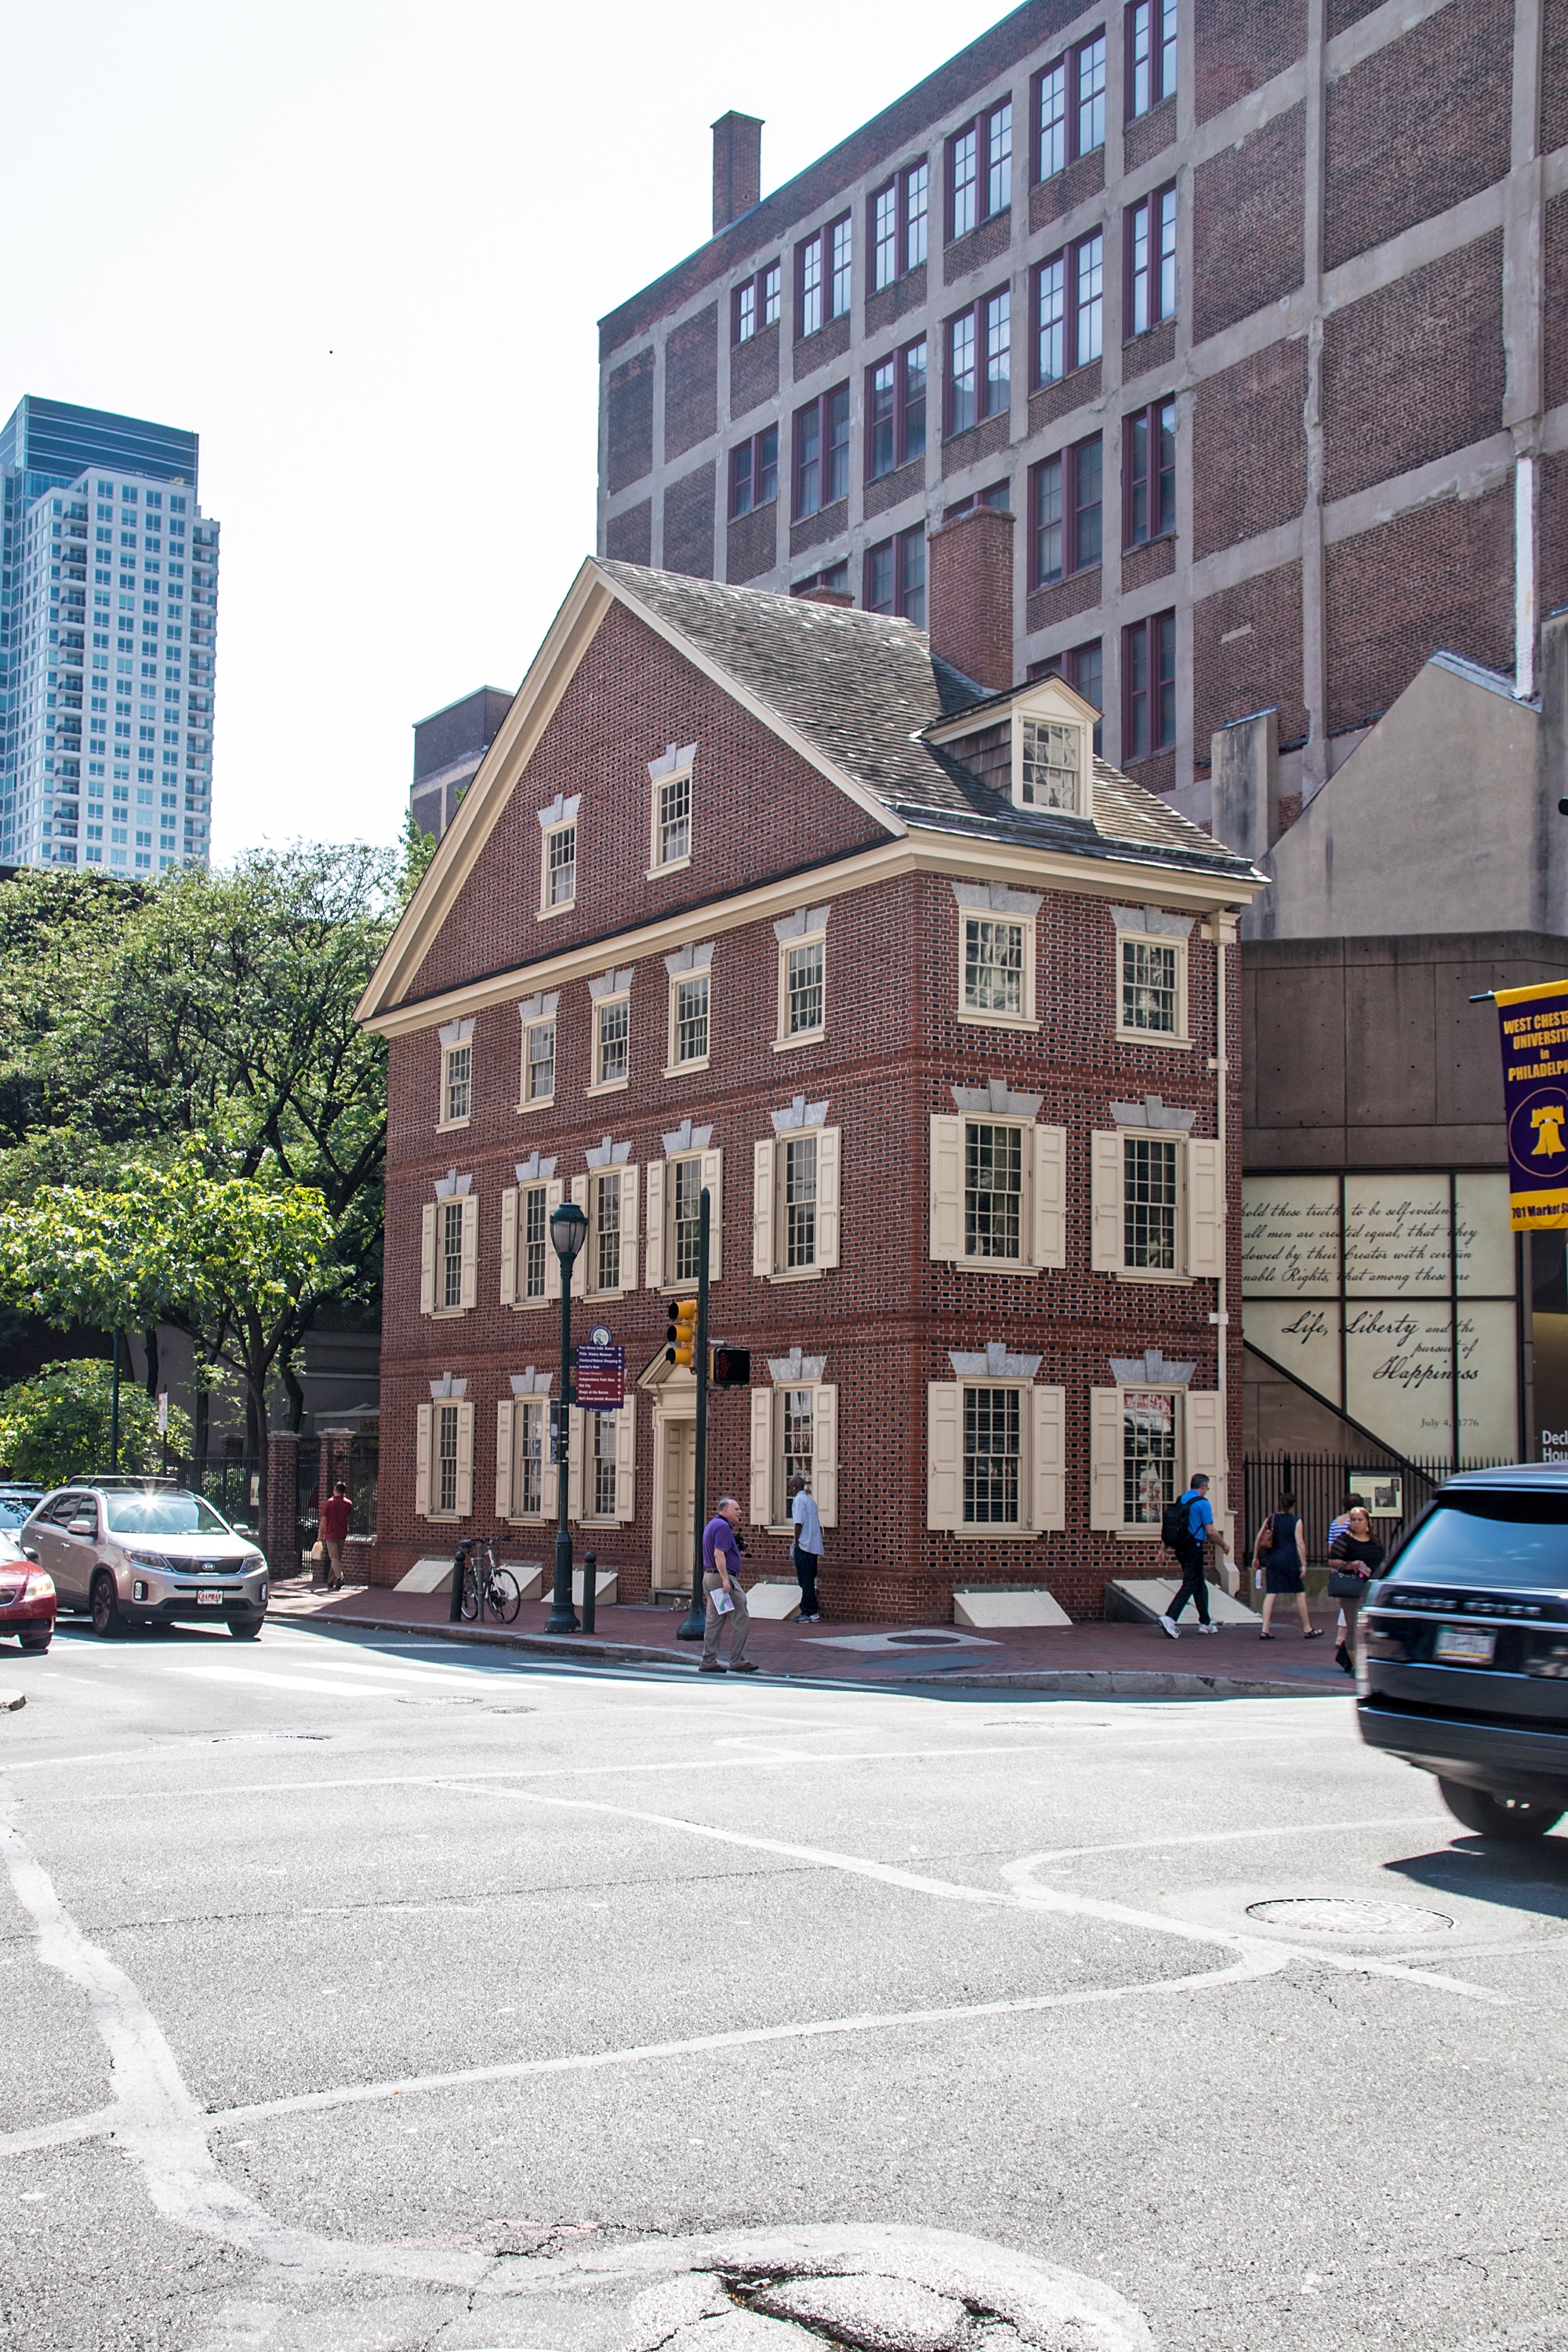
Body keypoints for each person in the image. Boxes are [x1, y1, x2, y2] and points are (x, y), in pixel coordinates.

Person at [1159, 1472, 1228, 1639]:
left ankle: (1205, 1622)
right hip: (1194, 1547)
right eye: (1207, 1488)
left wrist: (1163, 1549)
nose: (1206, 1491)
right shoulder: (1203, 1503)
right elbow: (1210, 1531)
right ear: (1203, 1486)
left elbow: (1171, 1526)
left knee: (1199, 1583)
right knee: (1190, 1583)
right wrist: (1224, 1545)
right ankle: (1170, 1617)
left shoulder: (1181, 1500)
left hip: (1180, 1548)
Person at [700, 1497, 757, 1675]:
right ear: (725, 1511)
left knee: (715, 1620)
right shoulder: (723, 1527)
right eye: (736, 1509)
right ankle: (737, 1660)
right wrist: (726, 1580)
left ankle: (708, 1661)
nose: (740, 1512)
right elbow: (718, 1554)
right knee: (741, 1616)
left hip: (710, 1577)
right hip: (721, 1579)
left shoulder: (713, 1525)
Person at [1327, 1504, 1385, 1673]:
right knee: (1352, 1627)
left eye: (1360, 1520)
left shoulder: (1374, 1540)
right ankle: (1356, 1666)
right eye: (1354, 1520)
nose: (1357, 1523)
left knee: (1370, 1626)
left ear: (1367, 1522)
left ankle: (1362, 1659)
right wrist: (1351, 1565)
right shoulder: (1344, 1540)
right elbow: (1332, 1561)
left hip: (1372, 1588)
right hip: (1352, 1590)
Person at [1256, 1489, 1319, 1642]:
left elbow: (1260, 1537)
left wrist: (1255, 1557)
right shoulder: (1296, 1521)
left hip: (1273, 1559)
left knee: (1271, 1593)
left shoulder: (1271, 1518)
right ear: (1293, 1505)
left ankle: (1265, 1629)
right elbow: (1300, 1543)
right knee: (1299, 1593)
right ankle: (1307, 1628)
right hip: (1290, 1560)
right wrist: (1304, 1564)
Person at [789, 1472, 823, 1622]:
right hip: (813, 1546)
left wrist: (796, 1543)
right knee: (808, 1580)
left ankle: (810, 1611)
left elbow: (798, 1523)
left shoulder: (799, 1500)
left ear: (795, 1487)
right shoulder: (810, 1500)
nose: (789, 1490)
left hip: (804, 1546)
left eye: (790, 1487)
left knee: (805, 1581)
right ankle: (809, 1610)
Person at [317, 1481, 352, 1591]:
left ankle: (340, 1578)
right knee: (336, 1558)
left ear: (335, 1490)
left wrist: (320, 1535)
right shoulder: (348, 1503)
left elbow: (324, 1520)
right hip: (342, 1533)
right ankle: (330, 1581)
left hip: (330, 1533)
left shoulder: (328, 1503)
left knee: (334, 1558)